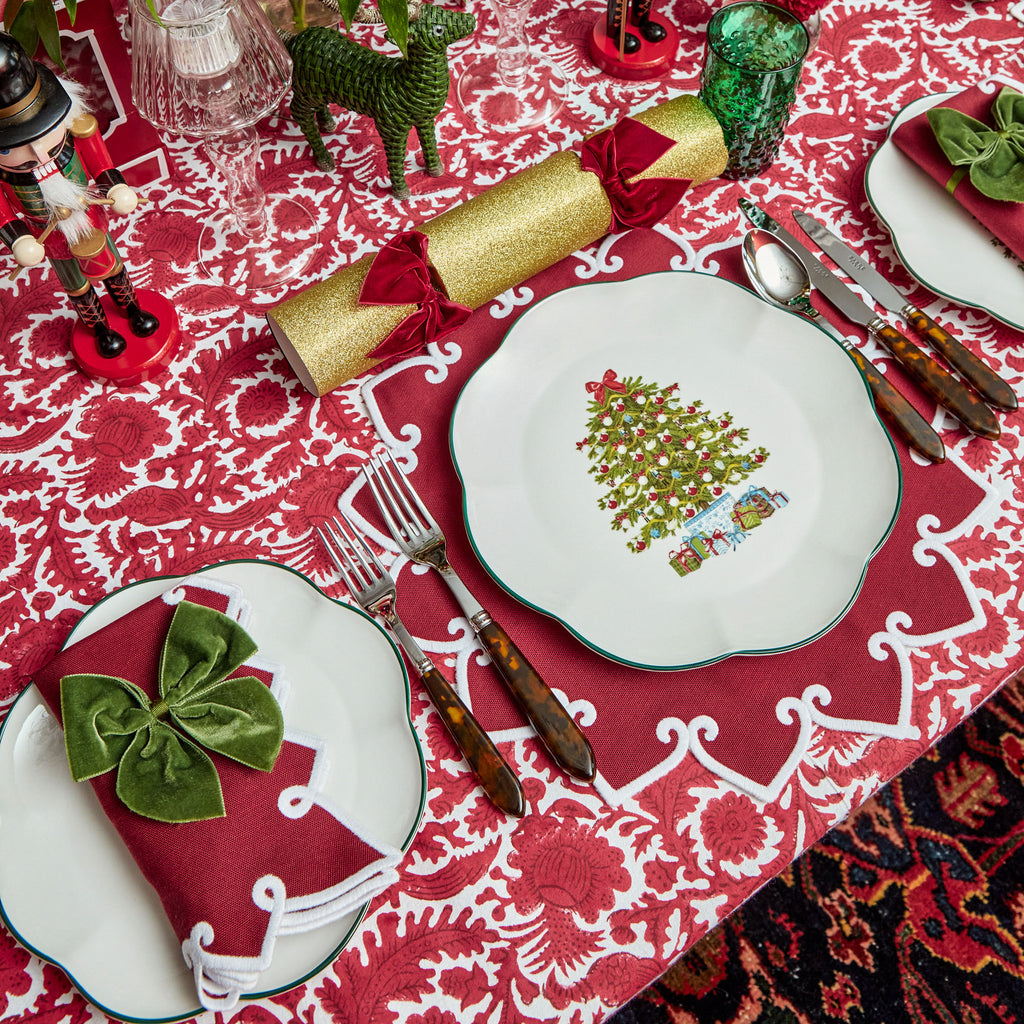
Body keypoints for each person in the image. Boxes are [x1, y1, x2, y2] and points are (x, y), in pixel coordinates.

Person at [0, 31, 158, 359]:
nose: (37, 153)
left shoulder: (78, 133)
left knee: (111, 265)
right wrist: (18, 240)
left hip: (89, 216)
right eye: (11, 146)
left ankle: (133, 310)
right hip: (50, 235)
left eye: (42, 132)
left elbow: (102, 164)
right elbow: (4, 213)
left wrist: (116, 187)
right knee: (76, 285)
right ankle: (100, 329)